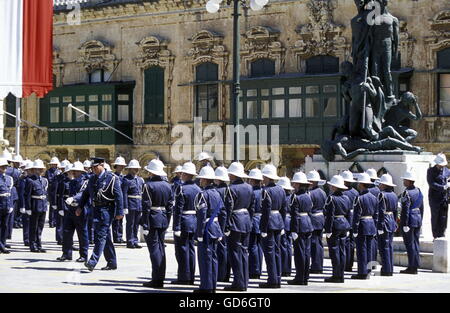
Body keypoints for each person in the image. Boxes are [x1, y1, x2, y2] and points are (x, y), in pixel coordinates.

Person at [68, 157, 124, 271]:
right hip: (96, 210)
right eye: (92, 168)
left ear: (102, 165)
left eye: (95, 167)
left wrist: (120, 212)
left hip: (107, 210)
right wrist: (80, 207)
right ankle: (112, 262)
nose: (93, 169)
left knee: (100, 236)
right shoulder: (92, 179)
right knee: (105, 237)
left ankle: (92, 261)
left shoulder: (112, 178)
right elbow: (86, 194)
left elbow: (119, 196)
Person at [140, 159, 173, 288]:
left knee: (154, 250)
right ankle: (160, 277)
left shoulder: (148, 185)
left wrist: (146, 224)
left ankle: (157, 280)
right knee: (160, 249)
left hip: (153, 219)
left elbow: (146, 206)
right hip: (163, 218)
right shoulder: (168, 185)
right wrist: (167, 220)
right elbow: (170, 206)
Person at [193, 165, 226, 293]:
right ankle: (212, 286)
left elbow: (202, 214)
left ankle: (206, 287)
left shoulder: (203, 194)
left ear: (205, 180)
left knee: (205, 259)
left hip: (206, 229)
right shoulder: (217, 193)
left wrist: (200, 232)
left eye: (201, 179)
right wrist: (221, 230)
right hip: (216, 228)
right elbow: (223, 213)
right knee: (213, 259)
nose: (200, 181)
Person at [224, 162, 254, 292]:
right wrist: (250, 221)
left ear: (233, 175)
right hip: (246, 221)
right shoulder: (249, 187)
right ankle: (244, 281)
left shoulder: (231, 189)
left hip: (235, 222)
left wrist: (226, 226)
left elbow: (228, 209)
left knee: (235, 253)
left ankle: (238, 282)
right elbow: (252, 207)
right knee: (244, 252)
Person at [172, 162, 201, 285]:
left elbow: (178, 209)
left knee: (182, 250)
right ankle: (191, 276)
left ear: (185, 174)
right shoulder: (198, 188)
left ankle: (184, 277)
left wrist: (176, 226)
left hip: (184, 220)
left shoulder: (181, 188)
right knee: (191, 250)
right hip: (194, 221)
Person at [57, 162, 89, 262]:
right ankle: (66, 253)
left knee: (82, 233)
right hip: (70, 209)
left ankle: (83, 255)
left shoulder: (85, 182)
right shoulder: (72, 182)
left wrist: (74, 198)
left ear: (80, 171)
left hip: (81, 209)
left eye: (75, 171)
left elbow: (83, 193)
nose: (73, 172)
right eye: (72, 171)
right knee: (67, 232)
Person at [259, 164, 285, 289]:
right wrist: (283, 224)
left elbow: (266, 211)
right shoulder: (280, 189)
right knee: (277, 251)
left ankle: (272, 279)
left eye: (264, 176)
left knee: (269, 252)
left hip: (269, 223)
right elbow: (284, 209)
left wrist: (263, 228)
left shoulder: (266, 191)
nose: (262, 179)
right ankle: (277, 278)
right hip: (278, 221)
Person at [324, 175, 352, 283]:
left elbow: (330, 215)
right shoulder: (346, 198)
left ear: (335, 187)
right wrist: (349, 227)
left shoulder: (331, 198)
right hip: (344, 225)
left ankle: (336, 275)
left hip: (335, 226)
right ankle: (341, 275)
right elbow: (349, 214)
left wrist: (328, 229)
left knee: (334, 251)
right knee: (342, 251)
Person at [352, 172, 378, 280]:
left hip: (362, 225)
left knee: (361, 249)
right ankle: (368, 270)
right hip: (371, 224)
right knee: (369, 249)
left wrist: (355, 228)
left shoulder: (359, 198)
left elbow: (357, 215)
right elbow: (376, 214)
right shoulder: (374, 197)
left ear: (362, 184)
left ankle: (362, 272)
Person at [288, 171, 313, 286]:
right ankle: (305, 277)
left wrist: (294, 230)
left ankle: (300, 278)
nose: (293, 186)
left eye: (294, 183)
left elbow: (295, 215)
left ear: (298, 184)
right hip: (308, 224)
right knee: (306, 252)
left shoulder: (295, 197)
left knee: (299, 253)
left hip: (300, 226)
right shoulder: (308, 196)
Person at [399, 169, 423, 275]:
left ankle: (412, 267)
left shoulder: (406, 193)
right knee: (416, 243)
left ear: (409, 181)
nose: (403, 181)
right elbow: (422, 207)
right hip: (417, 219)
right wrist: (420, 219)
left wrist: (404, 224)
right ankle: (415, 265)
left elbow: (405, 210)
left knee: (410, 244)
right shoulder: (418, 190)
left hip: (409, 221)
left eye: (405, 180)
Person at [25, 160, 49, 253]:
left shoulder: (44, 180)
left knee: (40, 227)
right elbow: (27, 195)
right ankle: (33, 245)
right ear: (34, 170)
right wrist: (28, 208)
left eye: (41, 169)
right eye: (37, 169)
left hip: (42, 206)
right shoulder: (30, 180)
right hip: (35, 206)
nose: (39, 171)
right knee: (33, 227)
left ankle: (39, 244)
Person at [377, 173, 398, 276]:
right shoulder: (394, 195)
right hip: (391, 221)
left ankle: (386, 269)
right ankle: (389, 268)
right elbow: (395, 211)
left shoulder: (382, 195)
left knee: (384, 247)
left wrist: (380, 226)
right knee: (389, 246)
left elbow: (381, 211)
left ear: (384, 185)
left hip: (384, 221)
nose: (379, 185)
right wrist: (394, 223)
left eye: (381, 184)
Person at [214, 166, 232, 282]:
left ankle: (221, 274)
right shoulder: (228, 190)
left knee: (220, 250)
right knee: (226, 249)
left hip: (220, 223)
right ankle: (226, 274)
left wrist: (222, 226)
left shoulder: (218, 191)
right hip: (228, 223)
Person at [307, 170, 327, 274]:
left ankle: (316, 266)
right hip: (321, 219)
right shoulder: (323, 192)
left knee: (314, 244)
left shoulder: (310, 193)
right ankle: (319, 264)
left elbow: (309, 207)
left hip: (313, 219)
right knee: (319, 244)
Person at [122, 160, 144, 249]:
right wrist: (125, 206)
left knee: (136, 224)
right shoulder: (126, 180)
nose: (136, 170)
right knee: (130, 223)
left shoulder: (140, 180)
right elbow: (124, 194)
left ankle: (135, 240)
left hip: (138, 204)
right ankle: (130, 241)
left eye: (137, 168)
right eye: (135, 168)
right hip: (130, 204)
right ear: (130, 169)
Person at [427, 153, 450, 239]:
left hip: (444, 198)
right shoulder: (430, 171)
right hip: (434, 198)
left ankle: (442, 233)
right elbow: (431, 183)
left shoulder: (447, 171)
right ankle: (435, 235)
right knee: (435, 216)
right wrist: (443, 187)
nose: (441, 166)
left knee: (444, 217)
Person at [247, 168, 264, 280]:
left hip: (254, 220)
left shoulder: (252, 192)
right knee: (259, 246)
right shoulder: (264, 191)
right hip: (261, 220)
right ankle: (258, 269)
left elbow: (250, 208)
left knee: (252, 245)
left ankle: (254, 270)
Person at [341, 170, 358, 272]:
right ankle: (350, 264)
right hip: (354, 218)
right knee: (351, 243)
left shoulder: (343, 193)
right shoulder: (355, 192)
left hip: (345, 218)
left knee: (345, 243)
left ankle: (345, 263)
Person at [277, 176, 294, 277]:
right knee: (288, 246)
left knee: (283, 245)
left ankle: (284, 269)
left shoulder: (283, 197)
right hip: (290, 221)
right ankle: (288, 268)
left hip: (283, 221)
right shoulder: (292, 197)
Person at [55, 160, 71, 245]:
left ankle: (68, 241)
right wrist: (60, 207)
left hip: (71, 205)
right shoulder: (63, 182)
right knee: (61, 223)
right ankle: (60, 239)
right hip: (64, 204)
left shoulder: (73, 182)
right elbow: (60, 196)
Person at [112, 156, 127, 244]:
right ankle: (116, 237)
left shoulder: (123, 177)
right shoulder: (113, 176)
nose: (121, 167)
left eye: (122, 166)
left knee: (121, 219)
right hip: (114, 200)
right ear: (116, 166)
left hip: (121, 201)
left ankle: (120, 236)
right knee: (115, 220)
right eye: (119, 166)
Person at [18, 160, 33, 246]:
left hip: (33, 204)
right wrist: (23, 206)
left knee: (33, 223)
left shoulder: (33, 179)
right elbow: (22, 193)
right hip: (26, 205)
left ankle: (32, 239)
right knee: (27, 222)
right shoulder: (23, 180)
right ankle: (26, 239)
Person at [0, 158, 14, 254]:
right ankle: (1, 246)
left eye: (5, 166)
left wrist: (11, 205)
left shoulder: (9, 178)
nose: (5, 168)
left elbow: (10, 192)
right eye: (3, 166)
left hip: (6, 204)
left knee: (5, 226)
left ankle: (3, 243)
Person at [45, 156, 60, 228]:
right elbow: (49, 180)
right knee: (52, 206)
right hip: (51, 190)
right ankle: (51, 221)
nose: (54, 165)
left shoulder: (58, 171)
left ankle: (55, 220)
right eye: (53, 164)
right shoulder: (48, 172)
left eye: (55, 164)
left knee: (57, 206)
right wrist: (55, 178)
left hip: (58, 190)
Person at [83, 160, 94, 244]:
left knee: (93, 222)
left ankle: (92, 237)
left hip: (94, 202)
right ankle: (89, 238)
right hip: (87, 203)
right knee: (87, 222)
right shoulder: (86, 177)